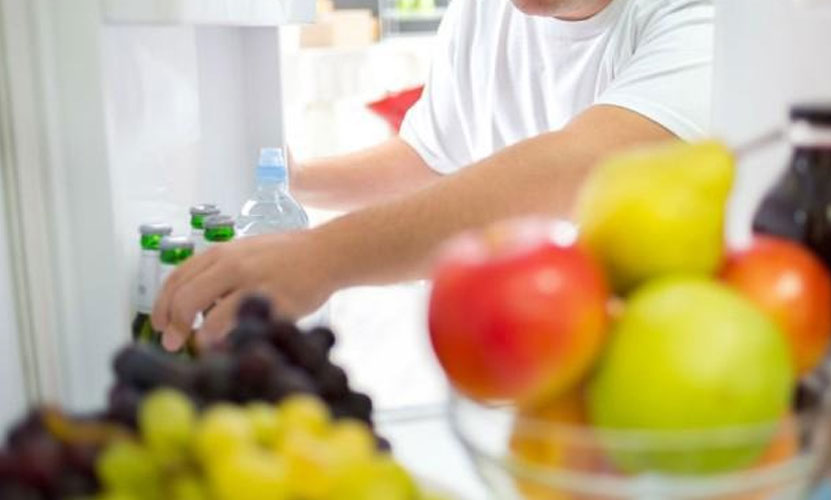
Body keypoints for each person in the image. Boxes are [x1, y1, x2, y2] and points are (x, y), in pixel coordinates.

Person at [153, 0, 714, 351]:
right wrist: (294, 179)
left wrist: (321, 257)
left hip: (666, 361)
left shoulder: (702, 16)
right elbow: (429, 160)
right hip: (522, 359)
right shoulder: (483, 13)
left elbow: (583, 166)